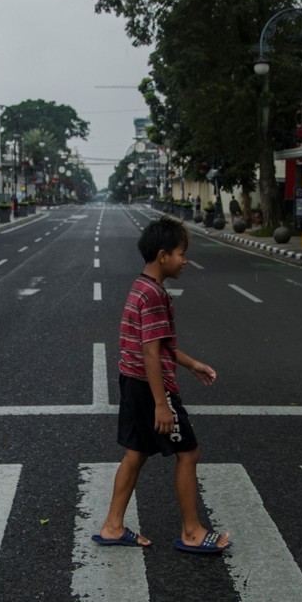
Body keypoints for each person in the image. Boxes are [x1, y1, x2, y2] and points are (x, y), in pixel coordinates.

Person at [93, 217, 230, 554]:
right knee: (188, 452)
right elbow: (151, 352)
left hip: (132, 381)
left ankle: (112, 526)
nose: (185, 261)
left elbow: (158, 345)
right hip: (149, 386)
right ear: (163, 255)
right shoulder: (154, 295)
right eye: (181, 253)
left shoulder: (141, 287)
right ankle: (192, 531)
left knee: (137, 452)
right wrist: (161, 403)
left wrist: (192, 364)